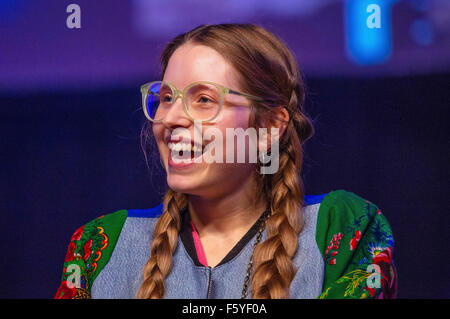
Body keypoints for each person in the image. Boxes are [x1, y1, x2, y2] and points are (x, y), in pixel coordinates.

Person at [55, 23, 397, 299]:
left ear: (268, 127)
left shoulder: (341, 228)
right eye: (165, 98)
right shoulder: (102, 245)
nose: (170, 118)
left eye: (203, 99)